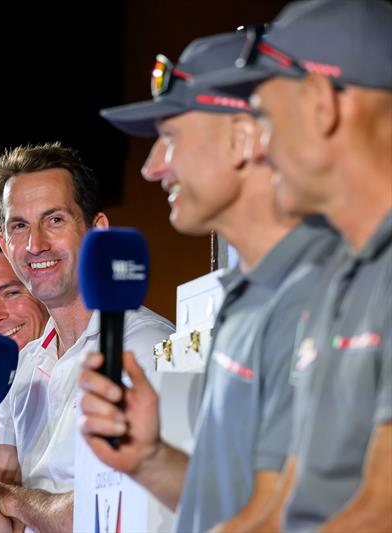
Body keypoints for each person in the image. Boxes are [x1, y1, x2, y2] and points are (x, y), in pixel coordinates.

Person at [78, 32, 340, 532]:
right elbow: (234, 498)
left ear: (243, 137)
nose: (153, 168)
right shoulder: (244, 298)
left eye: (170, 137)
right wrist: (150, 458)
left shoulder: (331, 293)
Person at [197, 1, 392, 530]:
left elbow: (380, 511)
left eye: (264, 115)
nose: (257, 148)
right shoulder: (337, 277)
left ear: (321, 106)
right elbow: (285, 508)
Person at [0, 143, 173, 532]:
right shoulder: (22, 366)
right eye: (19, 226)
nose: (36, 244)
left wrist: (10, 497)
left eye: (55, 220)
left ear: (97, 232)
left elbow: (111, 515)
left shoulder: (146, 350)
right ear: (5, 245)